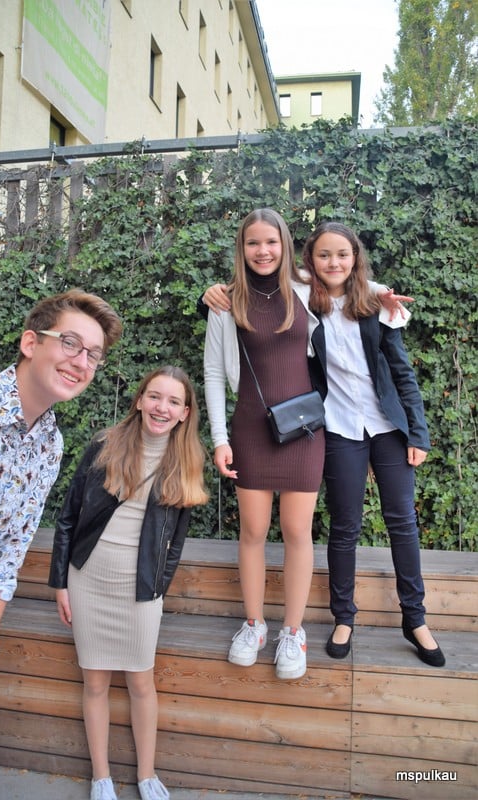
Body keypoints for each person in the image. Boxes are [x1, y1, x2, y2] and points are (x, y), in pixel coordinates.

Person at [201, 210, 413, 681]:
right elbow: (213, 373)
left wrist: (382, 294)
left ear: (285, 244)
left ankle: (292, 632)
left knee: (298, 532)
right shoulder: (225, 302)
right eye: (253, 243)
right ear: (242, 248)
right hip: (250, 429)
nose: (263, 251)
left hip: (304, 430)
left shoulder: (304, 289)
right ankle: (254, 625)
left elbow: (346, 280)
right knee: (253, 532)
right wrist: (219, 438)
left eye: (271, 242)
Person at [0, 289, 123, 786]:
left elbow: (1, 568)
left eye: (93, 354)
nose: (81, 362)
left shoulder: (49, 447)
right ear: (30, 343)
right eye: (70, 343)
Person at [48, 365, 208, 800]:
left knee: (140, 683)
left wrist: (157, 590)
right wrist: (60, 582)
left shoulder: (186, 463)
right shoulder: (105, 445)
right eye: (154, 396)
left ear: (184, 413)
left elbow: (175, 543)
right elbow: (68, 517)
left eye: (173, 401)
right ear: (139, 400)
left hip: (139, 590)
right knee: (95, 682)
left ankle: (146, 774)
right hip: (88, 580)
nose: (161, 407)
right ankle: (101, 777)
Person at [301, 221, 444, 667]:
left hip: (387, 428)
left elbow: (403, 374)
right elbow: (275, 275)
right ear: (311, 261)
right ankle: (344, 617)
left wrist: (418, 432)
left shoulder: (376, 306)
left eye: (342, 254)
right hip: (340, 428)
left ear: (355, 258)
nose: (334, 262)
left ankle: (415, 618)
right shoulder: (305, 308)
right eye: (324, 254)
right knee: (344, 527)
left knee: (402, 522)